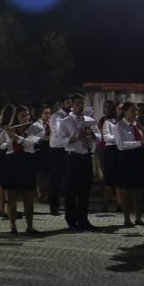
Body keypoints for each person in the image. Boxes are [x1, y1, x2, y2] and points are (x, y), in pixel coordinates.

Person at [53, 94, 101, 231]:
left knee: (85, 191)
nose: (81, 106)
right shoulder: (65, 121)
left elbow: (98, 139)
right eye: (78, 103)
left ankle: (83, 219)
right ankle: (71, 220)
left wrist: (92, 134)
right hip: (72, 158)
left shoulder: (90, 120)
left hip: (86, 158)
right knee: (71, 191)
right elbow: (61, 140)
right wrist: (76, 137)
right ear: (72, 105)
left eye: (82, 104)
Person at [0, 105, 43, 234]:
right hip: (12, 161)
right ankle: (13, 226)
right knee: (12, 196)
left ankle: (30, 226)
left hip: (27, 161)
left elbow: (28, 143)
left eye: (27, 115)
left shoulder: (36, 128)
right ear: (16, 117)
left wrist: (14, 136)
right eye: (22, 115)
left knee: (28, 196)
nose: (26, 118)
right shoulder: (10, 128)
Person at [114, 102, 144, 227]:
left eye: (136, 111)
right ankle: (126, 218)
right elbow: (121, 145)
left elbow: (142, 141)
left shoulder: (137, 125)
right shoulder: (119, 126)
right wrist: (140, 143)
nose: (135, 113)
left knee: (139, 189)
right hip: (126, 159)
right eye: (132, 111)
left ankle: (139, 217)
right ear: (124, 111)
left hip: (138, 157)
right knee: (126, 190)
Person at [48, 96, 71, 216]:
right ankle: (54, 206)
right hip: (57, 149)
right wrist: (71, 138)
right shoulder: (56, 116)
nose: (70, 105)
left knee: (68, 179)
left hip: (68, 149)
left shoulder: (71, 116)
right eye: (68, 103)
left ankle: (67, 206)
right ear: (61, 103)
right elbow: (58, 134)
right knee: (55, 180)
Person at [99, 100, 120, 213]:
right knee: (109, 178)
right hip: (110, 150)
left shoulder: (124, 123)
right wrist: (120, 139)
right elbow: (107, 137)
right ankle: (105, 204)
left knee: (119, 179)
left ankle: (119, 204)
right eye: (118, 109)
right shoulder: (108, 122)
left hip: (120, 150)